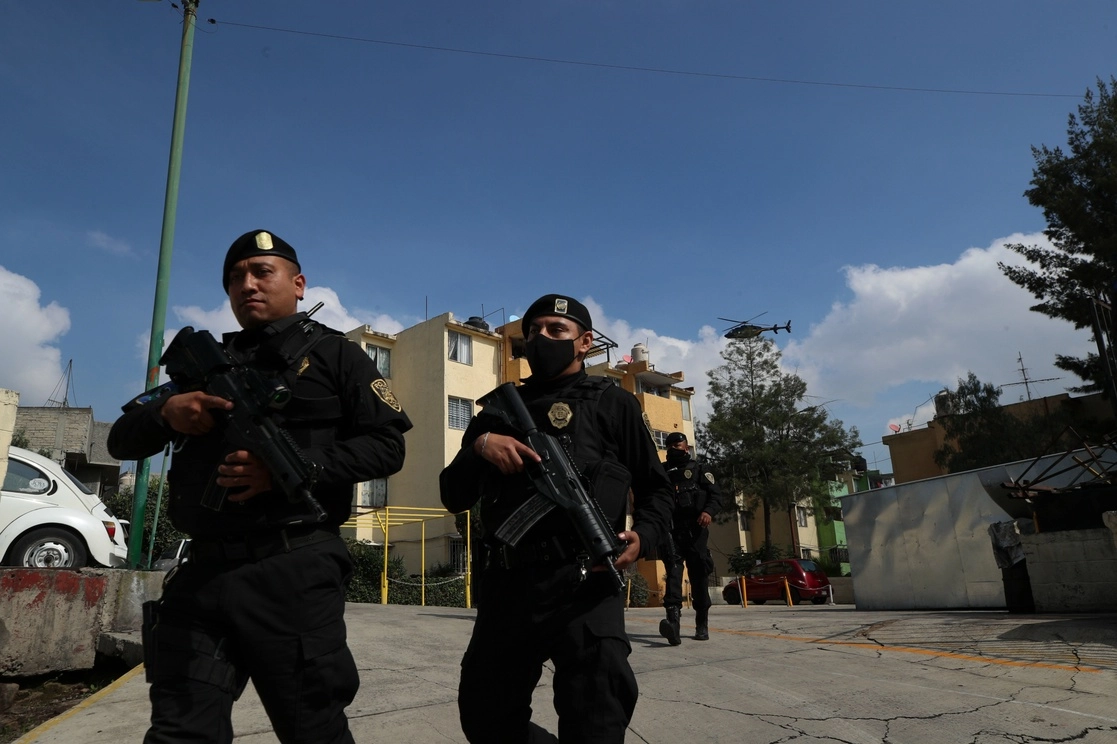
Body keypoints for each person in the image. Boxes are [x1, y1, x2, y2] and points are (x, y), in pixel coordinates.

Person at [108, 229, 412, 744]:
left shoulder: (337, 356)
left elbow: (388, 447)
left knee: (313, 728)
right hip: (203, 574)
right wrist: (168, 412)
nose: (247, 284)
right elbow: (120, 440)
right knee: (180, 731)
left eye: (261, 272)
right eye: (235, 277)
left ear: (298, 284)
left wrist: (297, 468)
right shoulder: (202, 368)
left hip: (292, 567)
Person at [440, 293, 673, 743]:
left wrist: (643, 537)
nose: (540, 338)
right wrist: (479, 449)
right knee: (485, 717)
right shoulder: (496, 412)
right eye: (533, 331)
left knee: (597, 718)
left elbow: (656, 488)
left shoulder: (613, 403)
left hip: (587, 583)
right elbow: (452, 494)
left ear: (585, 342)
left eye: (555, 330)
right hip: (509, 586)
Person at [658, 431, 722, 645]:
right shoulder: (663, 471)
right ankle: (673, 623)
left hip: (695, 530)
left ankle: (701, 623)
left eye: (678, 444)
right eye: (670, 445)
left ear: (686, 447)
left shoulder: (700, 470)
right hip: (672, 531)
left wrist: (708, 512)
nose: (674, 448)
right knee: (674, 574)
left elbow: (716, 496)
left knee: (698, 576)